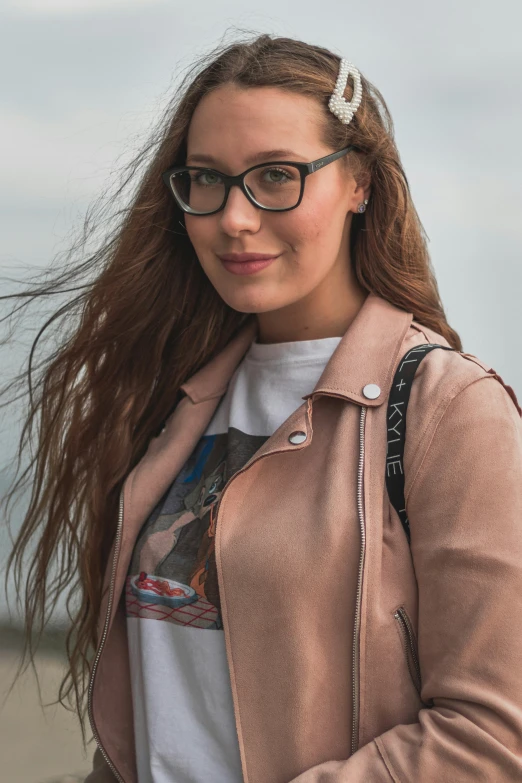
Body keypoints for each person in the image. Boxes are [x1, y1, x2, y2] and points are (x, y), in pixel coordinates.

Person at [4, 32, 522, 783]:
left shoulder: (450, 410)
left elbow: (492, 734)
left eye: (277, 175)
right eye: (207, 179)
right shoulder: (168, 402)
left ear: (359, 184)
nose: (235, 218)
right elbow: (163, 708)